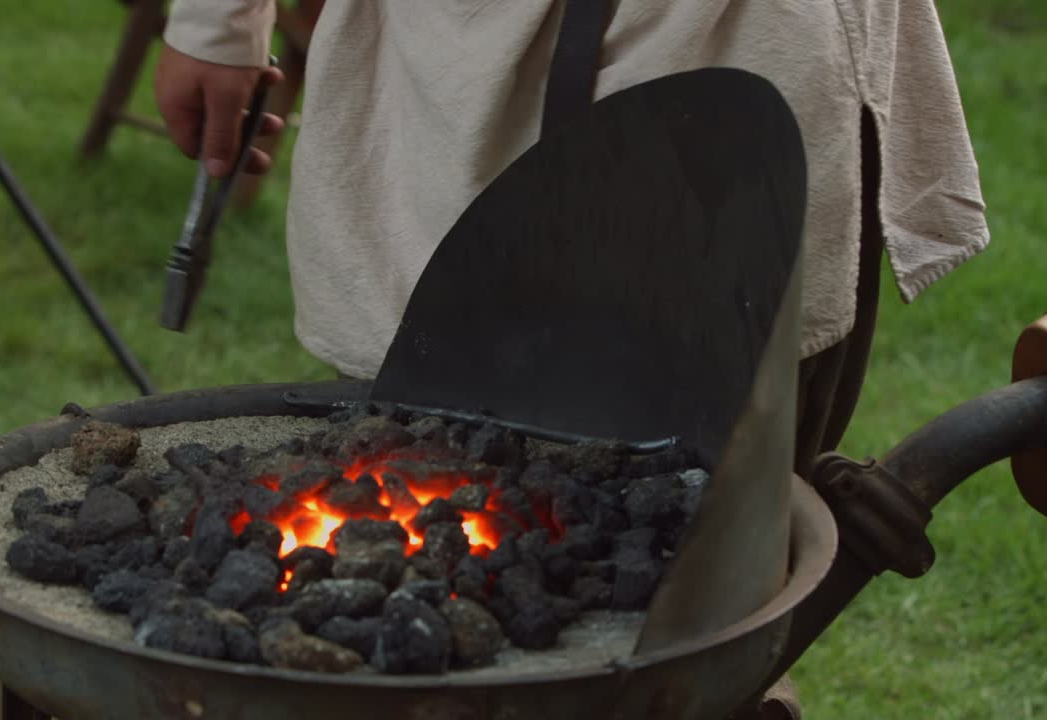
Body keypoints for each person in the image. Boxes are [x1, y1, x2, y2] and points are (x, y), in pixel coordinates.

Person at [154, 2, 990, 716]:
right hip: (463, 76)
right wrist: (216, 21)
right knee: (423, 516)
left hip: (735, 50)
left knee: (706, 578)